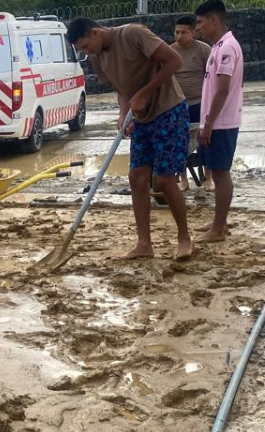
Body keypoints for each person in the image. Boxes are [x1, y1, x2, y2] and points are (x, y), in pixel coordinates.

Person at [67, 17, 192, 260]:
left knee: (165, 180)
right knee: (136, 177)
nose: (85, 52)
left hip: (169, 110)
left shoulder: (134, 34)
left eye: (84, 46)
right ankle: (144, 244)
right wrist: (124, 113)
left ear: (95, 32)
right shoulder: (97, 57)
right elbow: (122, 88)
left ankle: (184, 238)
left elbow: (174, 61)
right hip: (141, 118)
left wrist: (144, 93)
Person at [193, 0, 244, 243]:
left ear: (214, 20)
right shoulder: (218, 46)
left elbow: (222, 90)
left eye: (201, 22)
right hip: (214, 121)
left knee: (221, 174)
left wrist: (210, 123)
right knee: (214, 170)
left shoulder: (226, 48)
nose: (198, 28)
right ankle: (217, 223)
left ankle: (219, 228)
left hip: (222, 123)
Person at [170, 15, 212, 191]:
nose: (179, 36)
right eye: (177, 32)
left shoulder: (204, 50)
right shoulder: (169, 51)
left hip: (200, 103)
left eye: (184, 32)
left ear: (193, 32)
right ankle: (183, 179)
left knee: (206, 140)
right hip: (177, 104)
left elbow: (212, 77)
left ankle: (209, 179)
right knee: (178, 142)